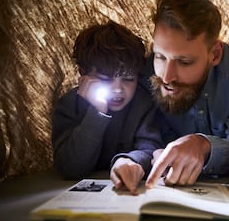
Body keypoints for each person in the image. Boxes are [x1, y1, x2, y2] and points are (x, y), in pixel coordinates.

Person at [143, 0, 229, 188]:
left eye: (184, 62)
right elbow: (140, 138)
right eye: (160, 56)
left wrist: (203, 145)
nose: (166, 77)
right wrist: (152, 152)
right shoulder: (143, 71)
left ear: (215, 54)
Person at [51, 21, 163, 195]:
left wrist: (130, 161)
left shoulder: (142, 103)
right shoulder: (69, 104)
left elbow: (151, 149)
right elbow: (71, 168)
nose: (118, 89)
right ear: (83, 74)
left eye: (128, 79)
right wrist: (97, 112)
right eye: (105, 79)